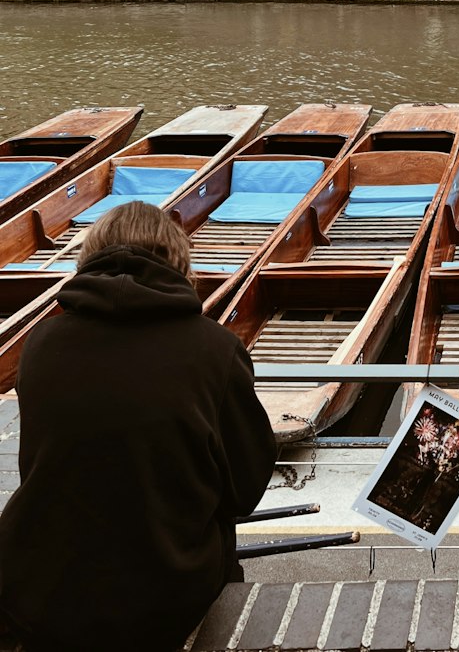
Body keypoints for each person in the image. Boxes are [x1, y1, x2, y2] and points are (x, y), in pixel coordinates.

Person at [0, 200, 276, 652]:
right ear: (178, 259)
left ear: (90, 256)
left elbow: (42, 461)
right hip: (164, 590)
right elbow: (243, 491)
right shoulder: (215, 350)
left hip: (37, 581)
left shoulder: (42, 342)